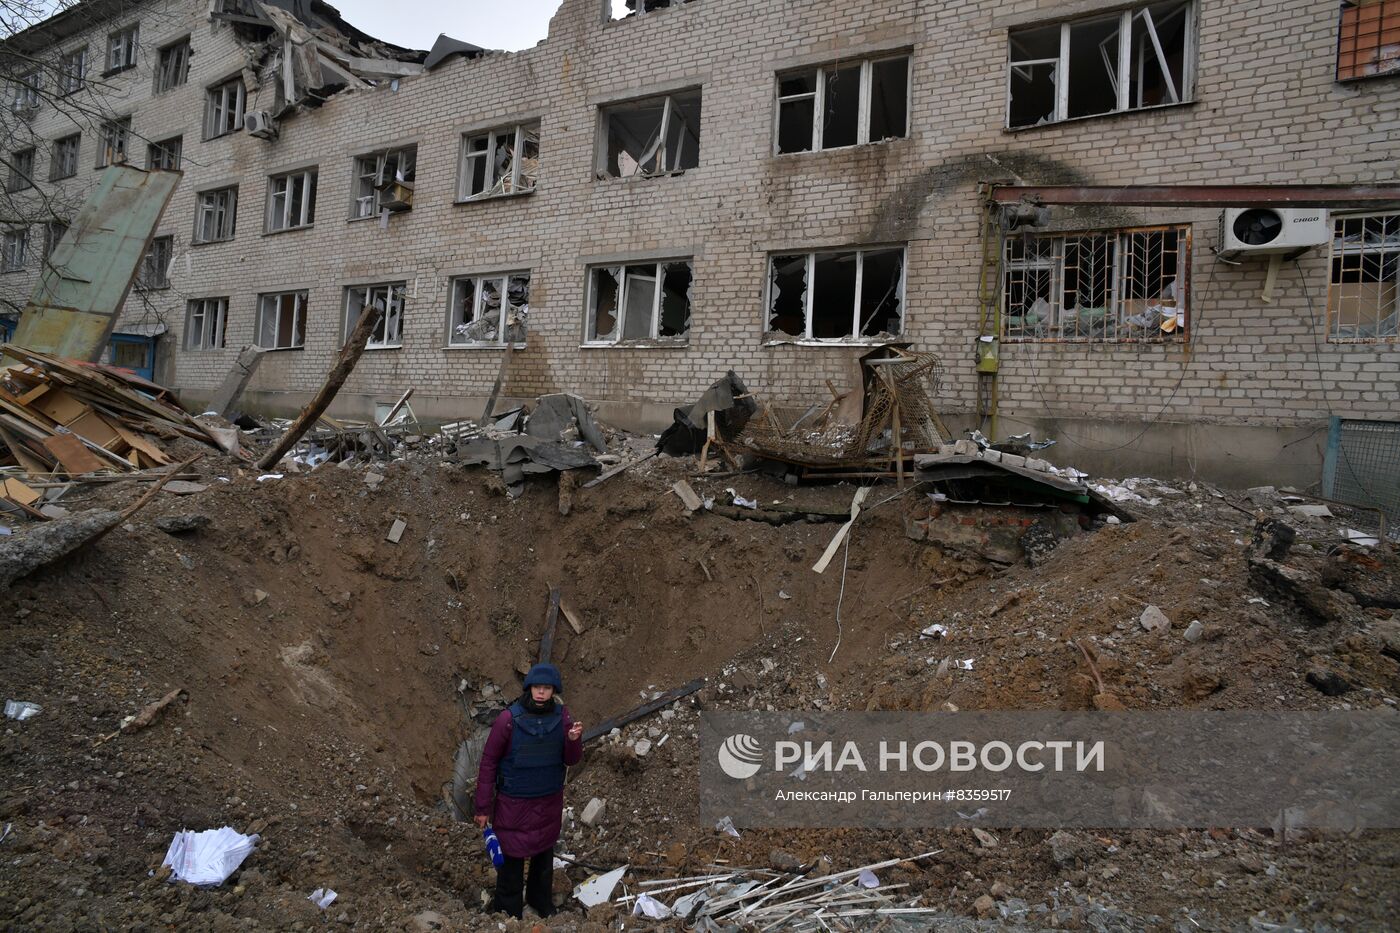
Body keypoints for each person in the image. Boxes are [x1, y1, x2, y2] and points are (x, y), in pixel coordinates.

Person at [474, 662, 584, 918]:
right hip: (514, 805)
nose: (541, 692)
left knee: (543, 859)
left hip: (548, 803)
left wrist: (573, 741)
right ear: (529, 688)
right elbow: (489, 762)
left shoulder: (562, 717)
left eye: (546, 688)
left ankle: (540, 902)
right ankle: (508, 913)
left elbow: (570, 760)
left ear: (553, 690)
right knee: (511, 862)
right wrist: (482, 807)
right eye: (537, 687)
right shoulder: (508, 720)